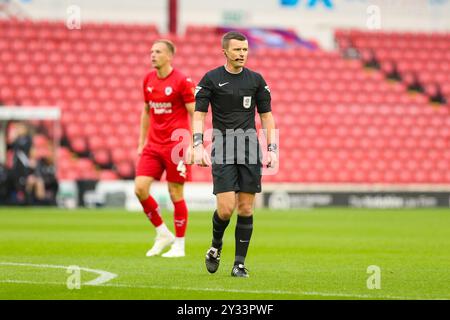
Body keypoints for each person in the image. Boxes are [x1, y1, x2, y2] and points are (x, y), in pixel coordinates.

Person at [193, 31, 278, 277]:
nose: (242, 54)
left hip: (251, 148)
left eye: (245, 50)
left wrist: (272, 149)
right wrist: (198, 145)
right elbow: (199, 115)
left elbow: (267, 117)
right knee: (226, 209)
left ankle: (239, 264)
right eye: (237, 50)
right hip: (223, 147)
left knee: (246, 208)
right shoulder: (211, 79)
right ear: (225, 52)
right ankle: (216, 246)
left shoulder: (256, 80)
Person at [134, 39, 196, 258]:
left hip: (175, 145)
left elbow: (194, 112)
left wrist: (194, 144)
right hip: (153, 144)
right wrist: (141, 143)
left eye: (158, 51)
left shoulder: (182, 81)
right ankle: (162, 233)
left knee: (175, 193)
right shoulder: (148, 80)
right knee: (140, 188)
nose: (152, 55)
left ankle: (179, 244)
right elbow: (145, 111)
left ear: (169, 56)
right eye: (151, 51)